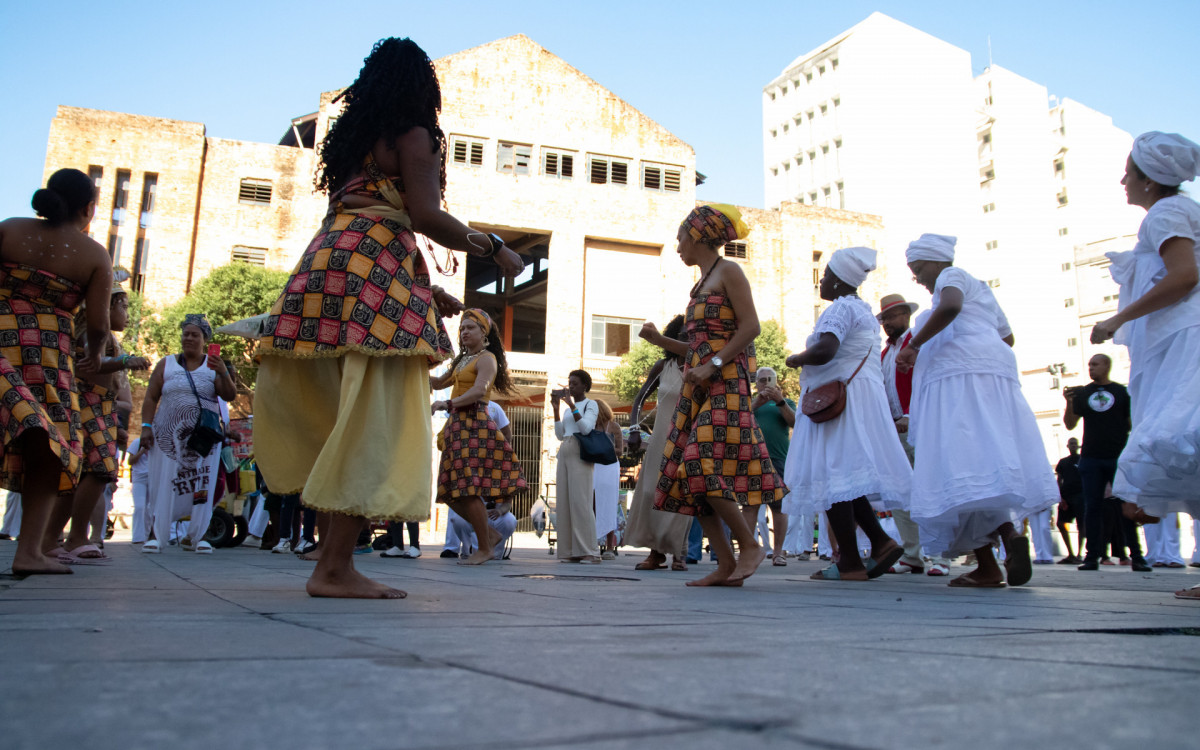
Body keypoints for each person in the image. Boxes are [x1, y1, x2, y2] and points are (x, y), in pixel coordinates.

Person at [253, 39, 523, 598]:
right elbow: (425, 217)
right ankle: (333, 569)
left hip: (326, 261)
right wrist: (496, 249)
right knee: (374, 417)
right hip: (378, 269)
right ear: (422, 87)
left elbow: (364, 216)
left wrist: (425, 291)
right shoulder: (414, 135)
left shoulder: (353, 143)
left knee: (335, 418)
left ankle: (333, 564)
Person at [896, 233, 1057, 587]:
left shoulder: (953, 278)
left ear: (938, 262)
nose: (918, 278)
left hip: (958, 383)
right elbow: (1007, 338)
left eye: (920, 268)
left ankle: (993, 553)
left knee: (958, 465)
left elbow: (951, 306)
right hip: (991, 379)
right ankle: (995, 553)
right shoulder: (982, 290)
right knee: (978, 466)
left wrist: (917, 346)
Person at [643, 204, 783, 587]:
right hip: (699, 384)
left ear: (699, 236)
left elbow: (751, 326)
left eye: (681, 239)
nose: (677, 248)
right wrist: (660, 342)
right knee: (690, 474)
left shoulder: (729, 272)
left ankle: (749, 546)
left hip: (727, 383)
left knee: (701, 461)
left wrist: (715, 364)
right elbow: (698, 347)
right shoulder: (701, 282)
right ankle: (724, 563)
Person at [1089, 132, 1200, 600]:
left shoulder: (1166, 213)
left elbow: (1184, 276)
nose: (1123, 180)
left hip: (1184, 341)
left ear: (1150, 180)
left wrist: (1117, 319)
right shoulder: (1184, 211)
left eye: (1128, 172)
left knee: (1181, 438)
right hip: (1179, 339)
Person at [0, 168, 112, 575]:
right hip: (47, 361)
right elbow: (98, 326)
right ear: (88, 208)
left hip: (2, 343)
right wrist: (95, 355)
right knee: (50, 448)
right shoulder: (93, 253)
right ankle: (29, 550)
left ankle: (33, 549)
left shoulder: (10, 229)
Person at [783, 247, 909, 581]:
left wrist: (797, 358)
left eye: (825, 275)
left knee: (831, 476)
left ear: (839, 281)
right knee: (843, 481)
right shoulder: (865, 313)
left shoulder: (839, 309)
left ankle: (852, 561)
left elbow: (826, 350)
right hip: (859, 400)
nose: (821, 280)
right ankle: (877, 545)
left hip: (839, 403)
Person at [44, 281, 149, 563]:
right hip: (88, 403)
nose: (127, 314)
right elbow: (94, 364)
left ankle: (58, 538)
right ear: (108, 305)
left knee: (86, 474)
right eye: (124, 306)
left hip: (100, 404)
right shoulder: (95, 334)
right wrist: (126, 361)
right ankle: (72, 537)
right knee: (97, 470)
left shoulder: (105, 337)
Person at [431, 308, 527, 565]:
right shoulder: (462, 361)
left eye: (469, 328)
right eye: (461, 329)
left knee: (468, 488)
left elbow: (479, 390)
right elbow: (438, 383)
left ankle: (484, 548)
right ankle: (491, 535)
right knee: (450, 491)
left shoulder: (487, 359)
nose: (463, 332)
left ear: (483, 333)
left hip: (474, 425)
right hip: (456, 427)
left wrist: (448, 405)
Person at [141, 315, 237, 554]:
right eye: (186, 334)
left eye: (195, 334)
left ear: (205, 339)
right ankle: (156, 534)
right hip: (167, 438)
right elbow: (151, 397)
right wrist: (145, 426)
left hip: (203, 438)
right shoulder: (166, 364)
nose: (189, 338)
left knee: (202, 481)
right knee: (164, 481)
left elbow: (229, 396)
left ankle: (199, 534)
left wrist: (223, 372)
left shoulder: (213, 365)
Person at [877, 293, 951, 577]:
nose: (887, 322)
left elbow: (925, 381)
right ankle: (912, 555)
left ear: (906, 315)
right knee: (900, 492)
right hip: (893, 429)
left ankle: (940, 556)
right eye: (884, 318)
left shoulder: (918, 343)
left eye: (892, 316)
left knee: (930, 489)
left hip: (917, 425)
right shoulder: (884, 354)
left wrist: (910, 414)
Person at [1062, 355, 1145, 571]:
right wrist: (1069, 402)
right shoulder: (1083, 393)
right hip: (1091, 458)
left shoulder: (1120, 392)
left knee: (1124, 506)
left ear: (1107, 366)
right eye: (1089, 364)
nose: (1091, 368)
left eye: (1095, 364)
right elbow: (1070, 425)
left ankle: (1136, 556)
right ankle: (1092, 557)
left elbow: (1131, 423)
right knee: (1093, 508)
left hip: (1117, 457)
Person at [625, 315, 692, 571]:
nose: (686, 339)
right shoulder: (662, 366)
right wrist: (634, 428)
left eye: (691, 336)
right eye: (682, 335)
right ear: (672, 336)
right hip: (660, 440)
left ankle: (679, 554)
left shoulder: (700, 366)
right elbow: (640, 399)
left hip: (687, 438)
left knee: (681, 493)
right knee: (651, 492)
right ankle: (656, 553)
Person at [551, 369, 602, 564]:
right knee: (564, 501)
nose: (570, 386)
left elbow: (586, 428)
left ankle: (589, 551)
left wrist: (572, 405)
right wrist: (556, 409)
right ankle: (571, 550)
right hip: (565, 448)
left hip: (581, 451)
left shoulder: (591, 405)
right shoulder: (565, 409)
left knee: (581, 502)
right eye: (569, 383)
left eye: (574, 383)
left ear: (584, 386)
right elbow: (559, 434)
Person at [750, 367, 794, 566]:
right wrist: (757, 402)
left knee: (778, 507)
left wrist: (780, 401)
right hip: (752, 459)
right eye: (762, 380)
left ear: (776, 381)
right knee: (750, 505)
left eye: (769, 379)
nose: (765, 383)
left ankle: (778, 552)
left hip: (778, 459)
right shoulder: (751, 403)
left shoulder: (786, 403)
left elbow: (794, 421)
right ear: (756, 383)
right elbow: (739, 418)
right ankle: (747, 551)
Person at [594, 399, 623, 559]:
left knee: (609, 504)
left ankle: (610, 546)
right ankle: (592, 543)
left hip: (610, 467)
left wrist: (606, 445)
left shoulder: (614, 427)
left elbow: (620, 451)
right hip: (594, 466)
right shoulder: (590, 426)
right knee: (592, 503)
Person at [1054, 437, 1084, 564]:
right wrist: (1059, 497)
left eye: (1075, 444)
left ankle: (1079, 554)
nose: (1073, 445)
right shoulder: (1063, 462)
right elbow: (1059, 479)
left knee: (1081, 524)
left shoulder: (1083, 460)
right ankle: (1070, 553)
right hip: (1066, 496)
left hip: (1081, 495)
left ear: (1078, 446)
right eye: (1071, 443)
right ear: (1067, 446)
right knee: (1060, 523)